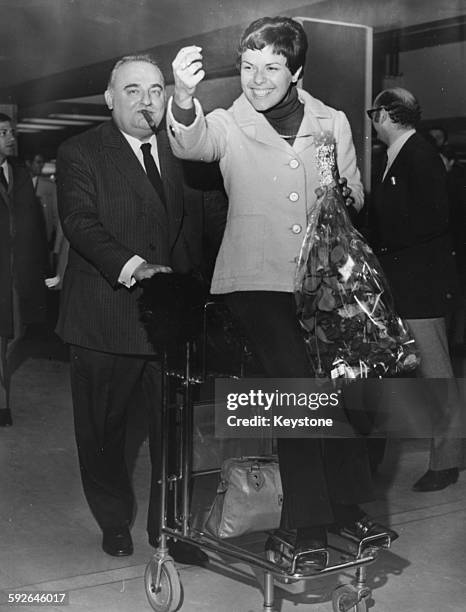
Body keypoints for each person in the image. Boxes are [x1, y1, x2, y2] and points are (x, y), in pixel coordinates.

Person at [167, 16, 395, 567]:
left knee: (340, 388)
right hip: (253, 280)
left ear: (296, 72)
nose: (257, 79)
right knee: (299, 389)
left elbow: (356, 196)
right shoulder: (227, 121)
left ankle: (340, 511)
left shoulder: (332, 121)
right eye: (248, 67)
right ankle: (312, 524)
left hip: (319, 281)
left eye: (271, 68)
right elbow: (192, 144)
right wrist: (182, 95)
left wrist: (340, 195)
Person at [56, 54, 225, 564]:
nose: (146, 102)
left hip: (169, 320)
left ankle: (167, 530)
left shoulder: (181, 152)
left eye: (155, 90)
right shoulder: (79, 152)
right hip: (104, 316)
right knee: (103, 432)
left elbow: (202, 223)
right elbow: (80, 223)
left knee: (172, 430)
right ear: (110, 99)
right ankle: (113, 520)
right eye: (132, 91)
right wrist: (135, 266)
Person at [368, 87, 464, 491]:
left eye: (374, 112)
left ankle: (447, 460)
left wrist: (384, 241)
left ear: (388, 114)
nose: (372, 120)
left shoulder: (417, 154)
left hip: (420, 283)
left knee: (435, 371)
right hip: (408, 281)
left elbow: (432, 217)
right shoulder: (401, 155)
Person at [0, 113, 47, 426]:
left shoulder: (18, 171)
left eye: (11, 131)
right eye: (3, 132)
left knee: (15, 334)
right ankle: (2, 404)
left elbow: (35, 224)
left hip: (16, 272)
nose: (11, 137)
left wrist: (42, 267)